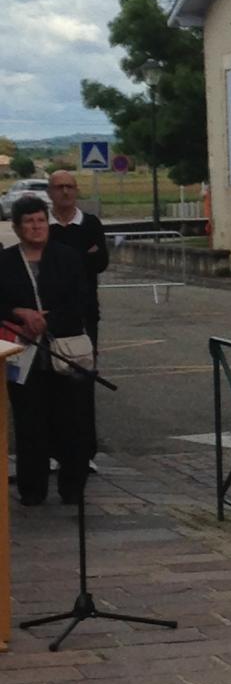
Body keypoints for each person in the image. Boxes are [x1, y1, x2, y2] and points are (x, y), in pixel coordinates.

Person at [1, 196, 94, 506]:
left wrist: (46, 319)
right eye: (29, 221)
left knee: (72, 422)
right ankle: (32, 489)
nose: (36, 226)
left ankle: (72, 487)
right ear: (16, 227)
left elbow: (81, 300)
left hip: (64, 350)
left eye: (41, 220)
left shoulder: (67, 257)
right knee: (30, 424)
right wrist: (19, 313)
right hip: (24, 354)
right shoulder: (6, 261)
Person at [45, 169, 108, 348]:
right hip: (48, 310)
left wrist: (61, 261)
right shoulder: (41, 224)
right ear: (49, 193)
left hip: (85, 309)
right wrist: (82, 256)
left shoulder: (91, 224)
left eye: (69, 187)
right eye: (59, 187)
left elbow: (101, 263)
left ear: (76, 190)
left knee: (85, 366)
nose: (65, 192)